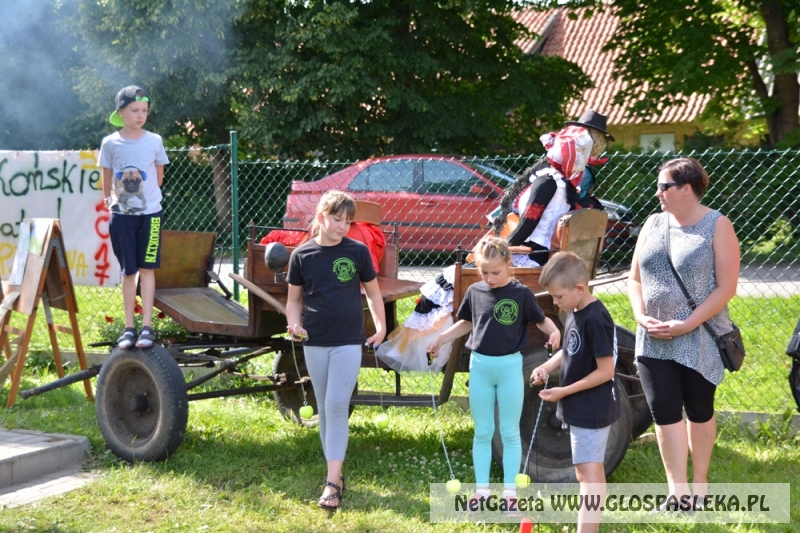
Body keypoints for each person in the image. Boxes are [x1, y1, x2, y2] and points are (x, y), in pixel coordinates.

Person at [377, 110, 613, 373]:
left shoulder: (549, 183)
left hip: (527, 253)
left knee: (446, 279)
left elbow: (527, 226)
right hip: (538, 251)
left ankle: (414, 351)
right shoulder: (562, 184)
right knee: (447, 280)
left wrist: (495, 249)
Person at [627, 157, 739, 509]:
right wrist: (641, 317)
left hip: (699, 336)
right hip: (654, 338)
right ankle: (677, 493)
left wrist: (686, 325)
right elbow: (634, 278)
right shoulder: (652, 223)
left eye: (664, 186)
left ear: (687, 189)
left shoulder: (717, 225)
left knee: (699, 410)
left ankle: (700, 487)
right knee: (664, 412)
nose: (657, 192)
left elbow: (727, 288)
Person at [426, 236, 560, 508]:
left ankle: (510, 493)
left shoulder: (522, 294)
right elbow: (466, 324)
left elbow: (542, 321)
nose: (490, 278)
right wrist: (441, 339)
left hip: (510, 367)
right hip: (481, 367)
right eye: (484, 272)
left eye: (496, 272)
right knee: (483, 430)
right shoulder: (475, 292)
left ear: (509, 264)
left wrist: (555, 331)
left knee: (509, 431)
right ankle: (482, 490)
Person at [285, 190, 387, 511]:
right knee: (325, 408)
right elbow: (293, 301)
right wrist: (294, 324)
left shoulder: (357, 251)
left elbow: (372, 293)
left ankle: (331, 483)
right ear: (321, 218)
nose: (343, 226)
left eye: (348, 221)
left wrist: (381, 327)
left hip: (347, 340)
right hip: (315, 341)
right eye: (337, 220)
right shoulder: (302, 256)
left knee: (336, 404)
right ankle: (337, 475)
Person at [530, 251, 620, 533]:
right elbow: (569, 351)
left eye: (558, 297)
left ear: (580, 288)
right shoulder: (575, 311)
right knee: (588, 473)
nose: (555, 302)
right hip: (579, 404)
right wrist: (546, 366)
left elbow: (606, 371)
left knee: (589, 475)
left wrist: (565, 391)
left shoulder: (595, 319)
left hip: (591, 407)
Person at [98, 86, 169, 350]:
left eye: (145, 111)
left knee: (147, 269)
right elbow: (106, 178)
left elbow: (159, 178)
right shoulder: (110, 143)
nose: (141, 115)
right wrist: (110, 202)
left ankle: (147, 327)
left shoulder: (155, 141)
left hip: (150, 215)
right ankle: (129, 328)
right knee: (129, 271)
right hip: (121, 217)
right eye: (135, 110)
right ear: (121, 112)